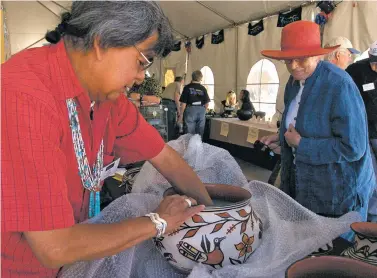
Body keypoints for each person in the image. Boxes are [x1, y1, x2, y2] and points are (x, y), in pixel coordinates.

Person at [1, 2, 213, 277]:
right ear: (102, 43)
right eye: (142, 61)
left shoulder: (107, 98)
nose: (140, 77)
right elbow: (52, 247)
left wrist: (210, 211)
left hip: (72, 262)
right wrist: (158, 222)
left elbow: (165, 158)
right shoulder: (22, 96)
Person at [260, 21, 375, 239]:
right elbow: (301, 123)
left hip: (336, 192)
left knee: (329, 256)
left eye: (301, 59)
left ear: (318, 56)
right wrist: (282, 139)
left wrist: (302, 145)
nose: (294, 66)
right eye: (288, 60)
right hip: (304, 185)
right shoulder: (294, 82)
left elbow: (354, 147)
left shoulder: (339, 85)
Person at [346, 40, 377, 222]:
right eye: (373, 62)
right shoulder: (356, 70)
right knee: (370, 174)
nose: (375, 67)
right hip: (362, 132)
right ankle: (372, 216)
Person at [178, 70, 210, 137]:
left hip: (190, 110)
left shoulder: (187, 87)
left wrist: (181, 116)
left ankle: (190, 146)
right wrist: (203, 110)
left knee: (189, 133)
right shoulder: (203, 88)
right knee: (199, 134)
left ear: (192, 77)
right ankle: (198, 146)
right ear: (201, 78)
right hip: (201, 110)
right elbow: (207, 103)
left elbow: (183, 103)